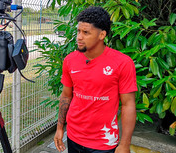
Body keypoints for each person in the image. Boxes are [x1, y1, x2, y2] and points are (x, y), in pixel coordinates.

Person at [54, 6, 137, 153]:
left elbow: (128, 105)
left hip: (104, 141)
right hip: (74, 136)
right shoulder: (70, 60)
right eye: (78, 31)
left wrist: (124, 144)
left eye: (86, 32)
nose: (79, 37)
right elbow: (66, 95)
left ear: (102, 35)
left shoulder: (123, 63)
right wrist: (60, 128)